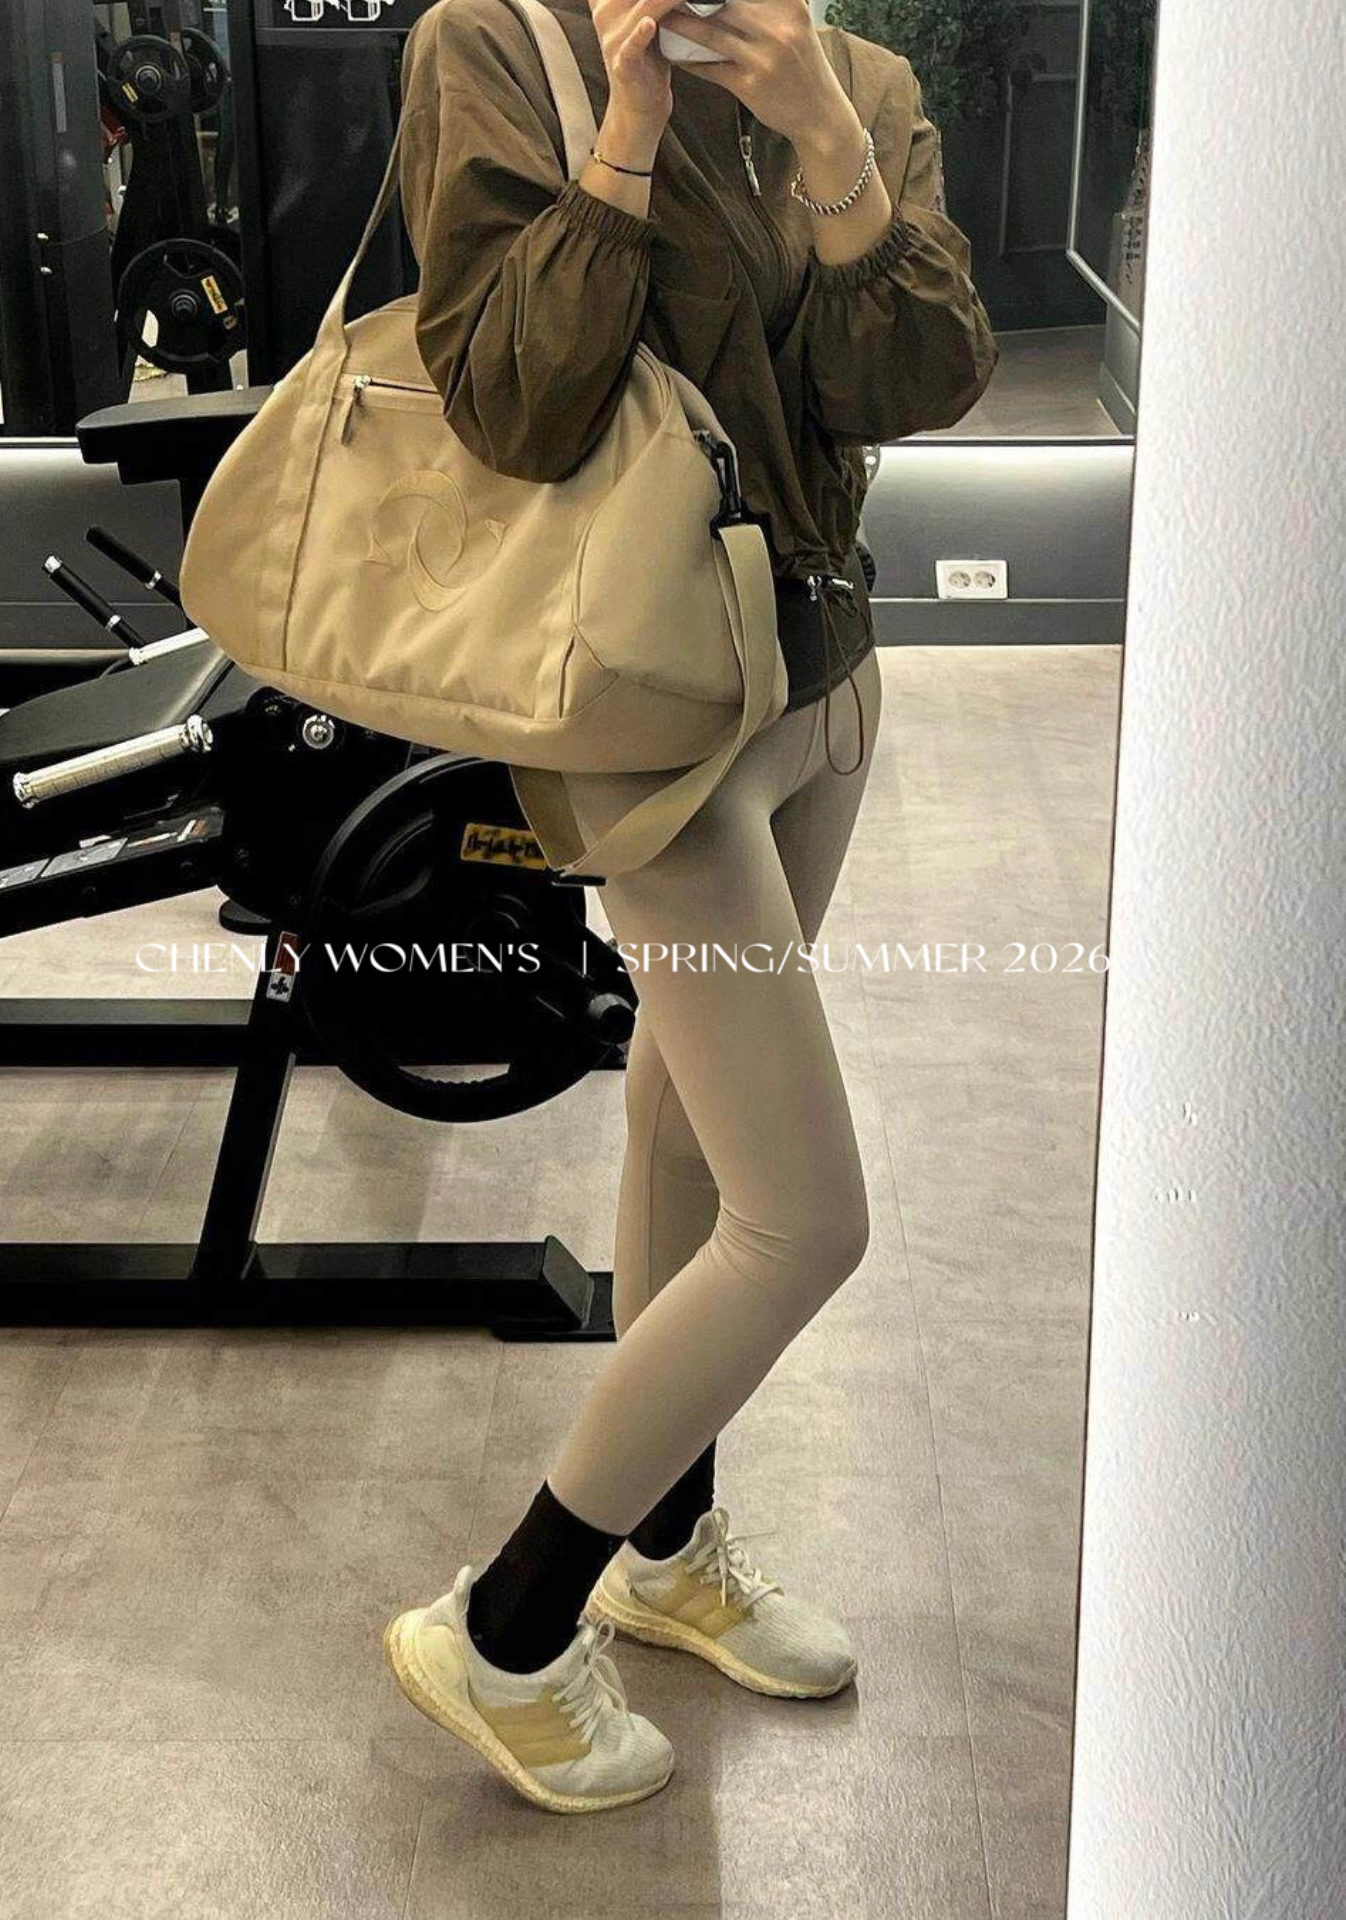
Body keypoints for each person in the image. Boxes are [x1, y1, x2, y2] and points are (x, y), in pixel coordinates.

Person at [385, 0, 998, 1813]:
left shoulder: (862, 79)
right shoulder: (493, 46)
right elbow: (513, 407)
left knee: (685, 1123)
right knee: (805, 1220)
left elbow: (918, 383)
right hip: (652, 712)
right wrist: (628, 134)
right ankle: (507, 1626)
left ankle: (666, 1555)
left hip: (824, 681)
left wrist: (830, 141)